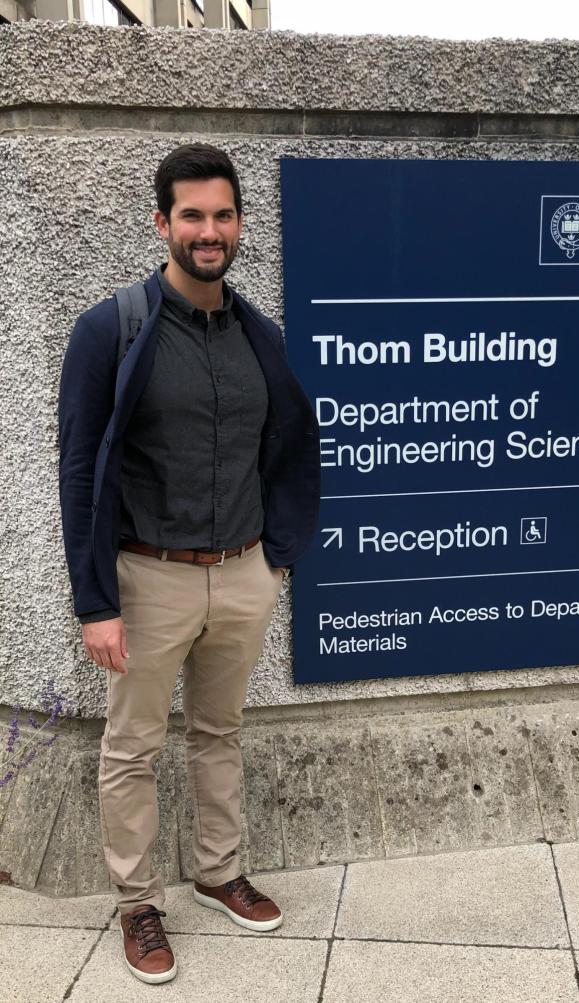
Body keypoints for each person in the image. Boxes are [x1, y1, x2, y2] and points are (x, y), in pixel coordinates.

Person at [58, 143, 320, 984]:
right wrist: (95, 600)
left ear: (241, 224)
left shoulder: (260, 335)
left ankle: (218, 872)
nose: (210, 231)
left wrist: (275, 559)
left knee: (219, 731)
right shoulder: (112, 329)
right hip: (148, 578)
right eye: (193, 215)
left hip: (243, 573)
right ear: (163, 222)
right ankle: (138, 902)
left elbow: (286, 447)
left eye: (224, 215)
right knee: (133, 745)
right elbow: (77, 469)